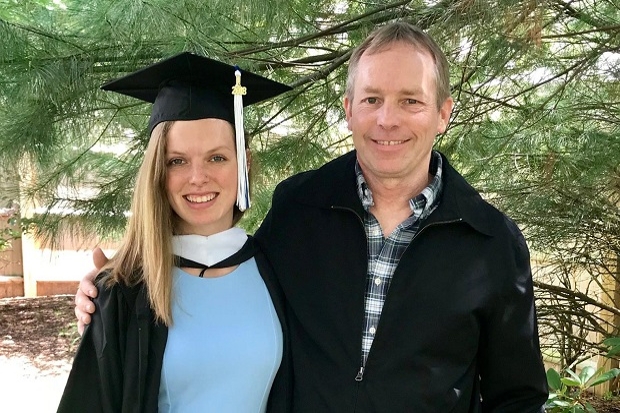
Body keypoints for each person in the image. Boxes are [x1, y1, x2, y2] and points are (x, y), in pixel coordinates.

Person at [75, 22, 549, 411]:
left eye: (411, 100)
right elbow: (210, 263)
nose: (388, 120)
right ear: (348, 109)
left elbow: (519, 398)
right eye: (371, 99)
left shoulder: (491, 243)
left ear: (443, 113)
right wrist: (110, 296)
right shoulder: (298, 210)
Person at [59, 52, 292, 412]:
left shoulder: (277, 270)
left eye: (217, 157)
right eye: (177, 161)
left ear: (243, 163)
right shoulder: (125, 290)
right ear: (157, 172)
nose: (198, 177)